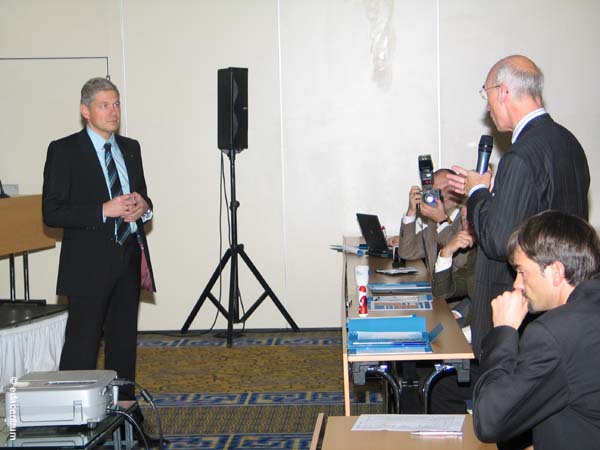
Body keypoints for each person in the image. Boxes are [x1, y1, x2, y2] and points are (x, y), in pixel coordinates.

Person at [447, 55, 589, 357]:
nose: (487, 107)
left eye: (486, 94)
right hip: (565, 304)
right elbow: (541, 216)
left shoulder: (519, 156)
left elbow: (499, 241)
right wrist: (493, 195)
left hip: (522, 313)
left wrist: (477, 193)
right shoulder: (570, 143)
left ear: (503, 92)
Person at [42, 77, 155, 402]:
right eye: (104, 105)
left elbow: (143, 196)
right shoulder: (64, 150)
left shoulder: (130, 148)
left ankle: (124, 415)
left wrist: (144, 207)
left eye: (116, 104)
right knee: (82, 345)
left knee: (123, 345)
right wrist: (103, 210)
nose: (113, 111)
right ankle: (72, 414)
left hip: (127, 259)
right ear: (85, 111)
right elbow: (52, 211)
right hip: (87, 265)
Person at [473, 210, 600, 450]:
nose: (516, 284)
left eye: (521, 272)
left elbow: (489, 422)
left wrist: (503, 330)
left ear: (555, 272)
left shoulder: (553, 334)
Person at [397, 169, 465, 274]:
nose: (441, 195)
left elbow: (461, 261)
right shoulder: (434, 224)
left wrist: (442, 221)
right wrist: (411, 211)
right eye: (436, 191)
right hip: (434, 284)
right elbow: (406, 252)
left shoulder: (467, 221)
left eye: (447, 189)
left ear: (459, 190)